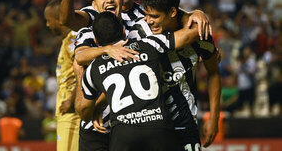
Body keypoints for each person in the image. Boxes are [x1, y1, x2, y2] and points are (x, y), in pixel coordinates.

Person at [80, 11, 200, 151]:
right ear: (124, 32)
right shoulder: (150, 43)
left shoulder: (93, 68)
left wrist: (96, 109)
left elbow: (84, 112)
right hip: (158, 129)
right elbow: (191, 34)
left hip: (124, 135)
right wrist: (196, 14)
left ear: (96, 41)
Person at [141, 0, 221, 149]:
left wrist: (214, 117)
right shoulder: (140, 31)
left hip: (186, 123)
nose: (148, 21)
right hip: (150, 124)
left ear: (172, 12)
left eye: (154, 16)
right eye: (146, 14)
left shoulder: (201, 35)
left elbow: (213, 72)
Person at [44, 0, 80, 151]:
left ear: (59, 19)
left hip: (72, 114)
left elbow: (86, 69)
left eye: (48, 20)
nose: (47, 25)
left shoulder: (74, 39)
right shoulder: (67, 40)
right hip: (67, 112)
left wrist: (71, 100)